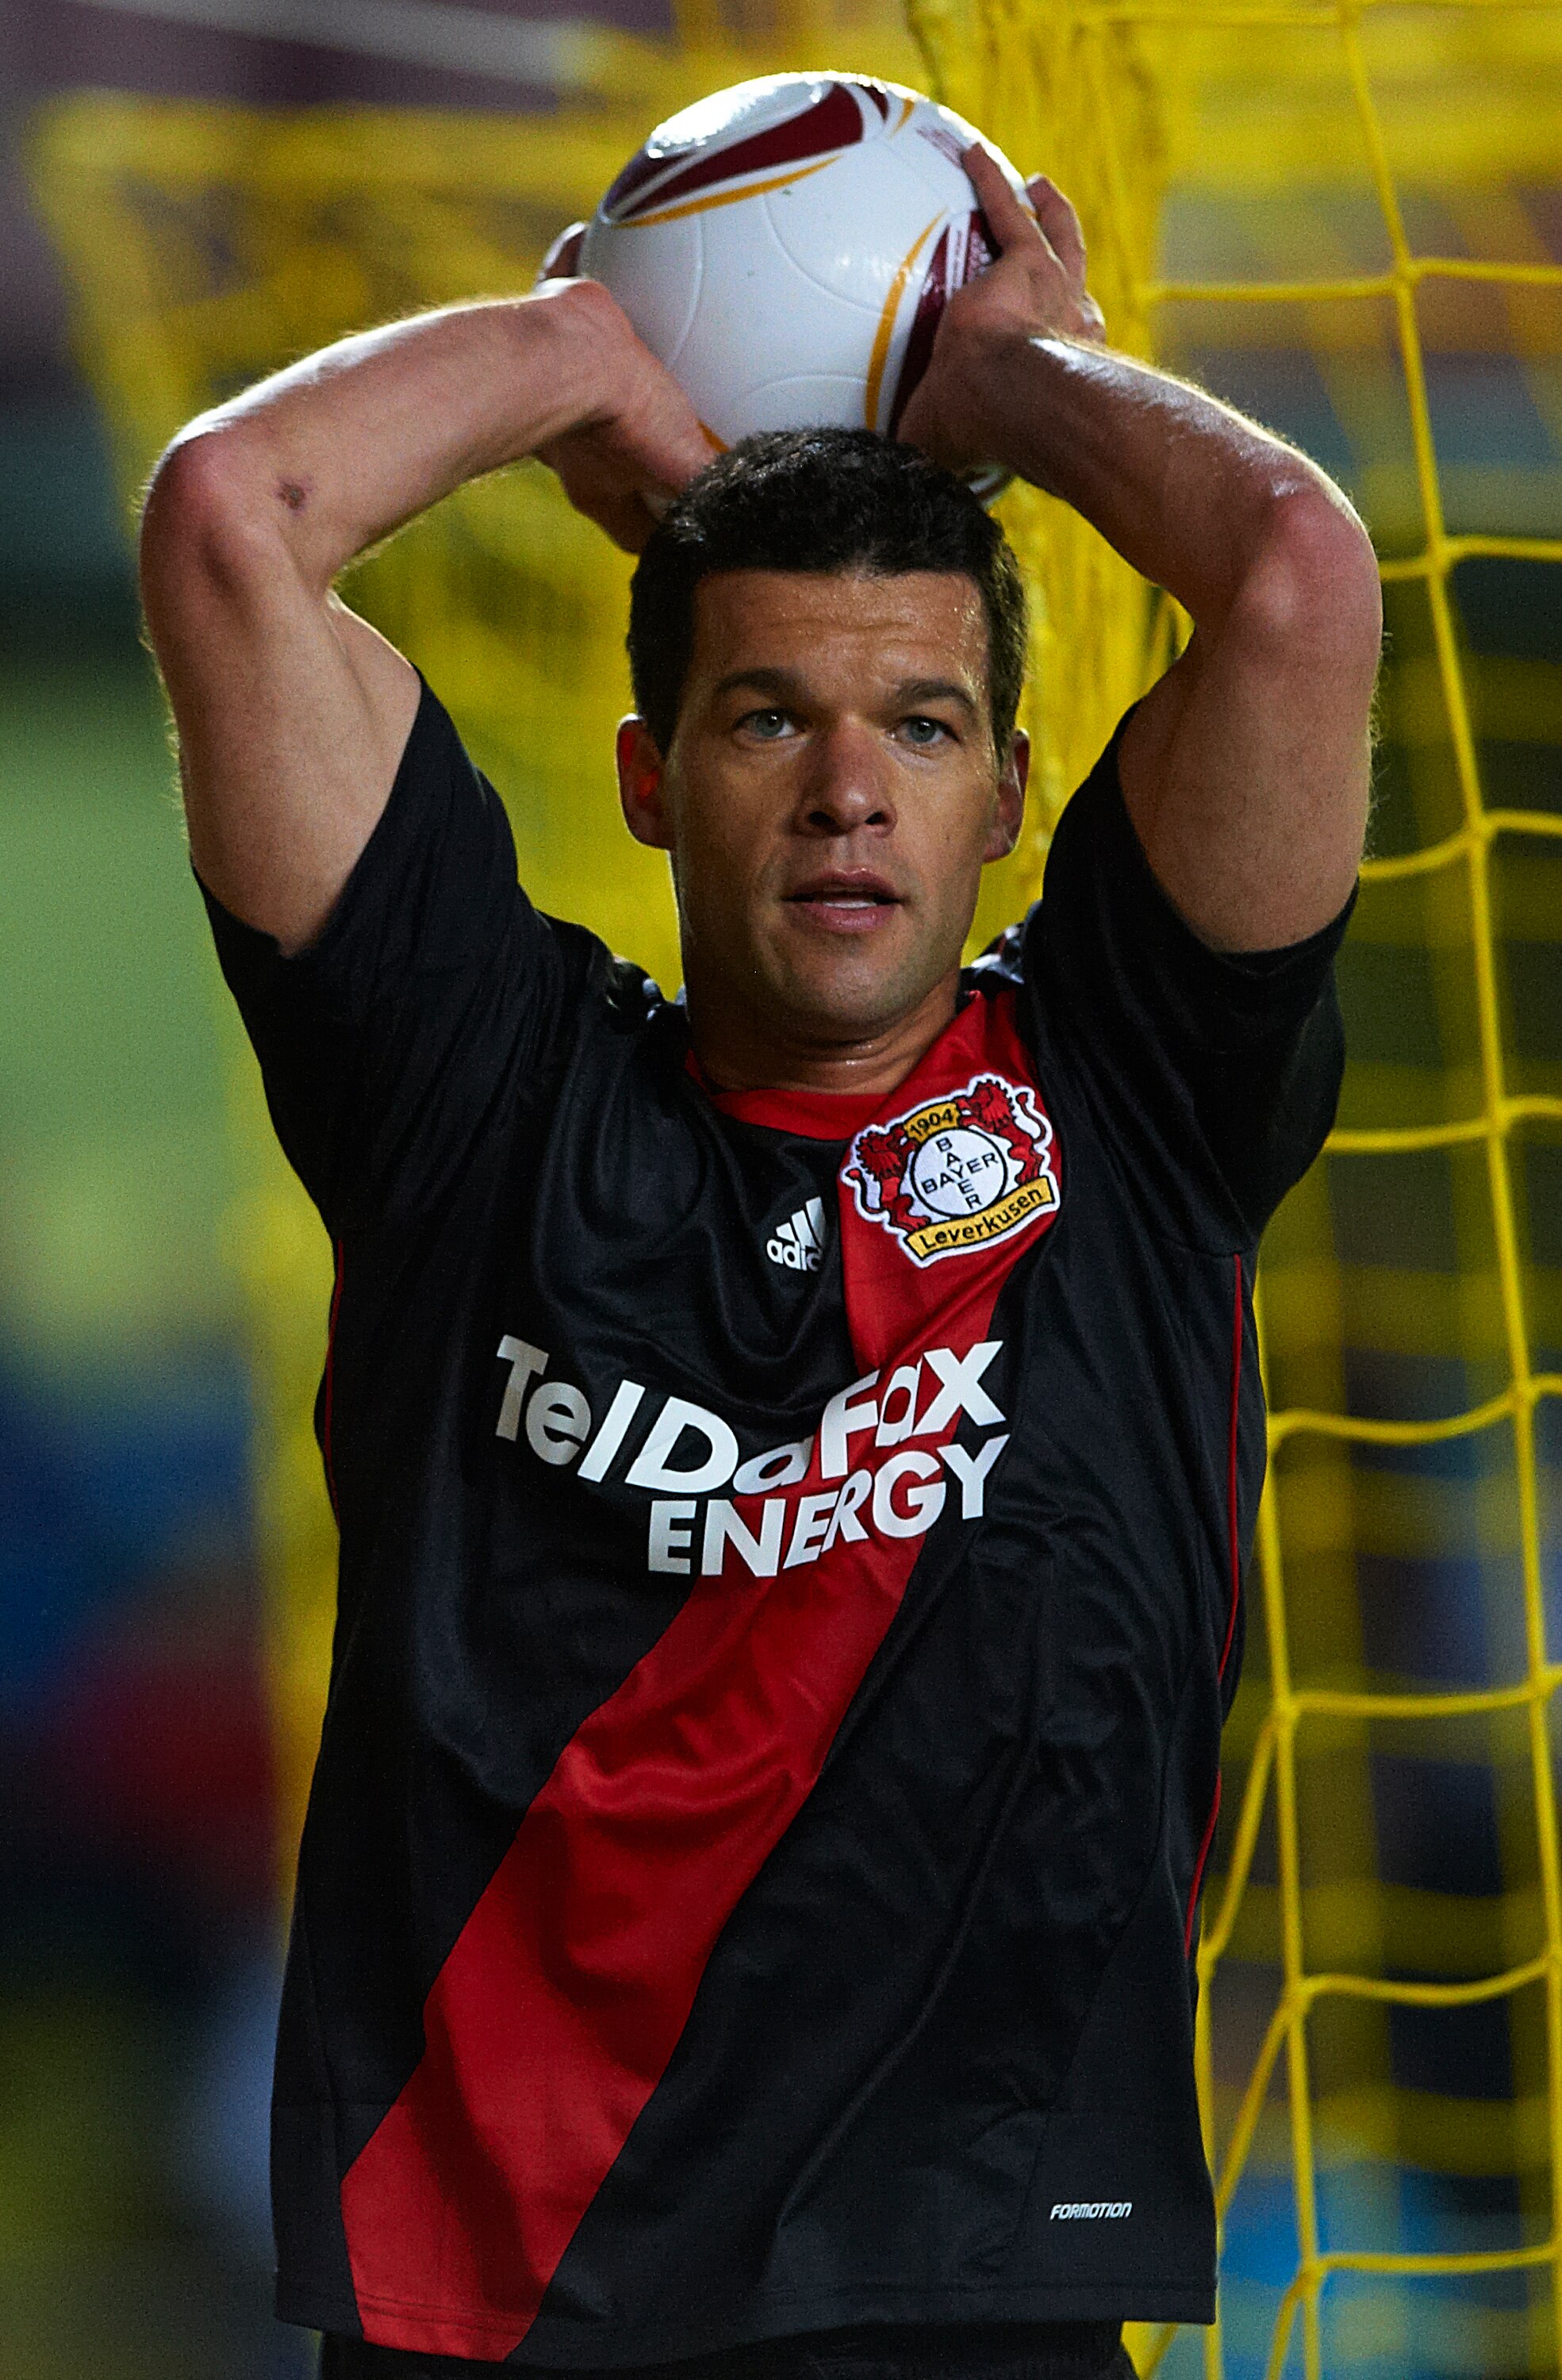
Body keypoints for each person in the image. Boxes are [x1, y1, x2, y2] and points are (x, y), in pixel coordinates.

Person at [138, 133, 1380, 2380]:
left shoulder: (1128, 1090)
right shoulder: (473, 1093)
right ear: (648, 778)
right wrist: (579, 356)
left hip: (972, 2287)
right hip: (499, 2296)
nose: (846, 790)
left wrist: (1017, 387)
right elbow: (234, 512)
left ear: (1011, 789)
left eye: (920, 725)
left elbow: (1294, 574)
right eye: (768, 715)